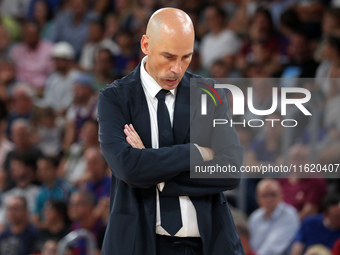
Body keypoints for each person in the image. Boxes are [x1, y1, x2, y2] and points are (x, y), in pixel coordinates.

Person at [97, 7, 244, 255]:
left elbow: (231, 169)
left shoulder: (209, 92)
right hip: (140, 244)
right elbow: (128, 167)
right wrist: (197, 152)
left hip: (210, 244)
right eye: (168, 56)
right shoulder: (114, 98)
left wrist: (159, 176)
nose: (177, 68)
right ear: (146, 44)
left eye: (186, 57)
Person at [249, 179, 300, 255]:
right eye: (264, 195)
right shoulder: (255, 217)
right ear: (257, 198)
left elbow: (273, 250)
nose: (269, 199)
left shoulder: (290, 215)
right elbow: (251, 245)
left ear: (281, 195)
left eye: (272, 194)